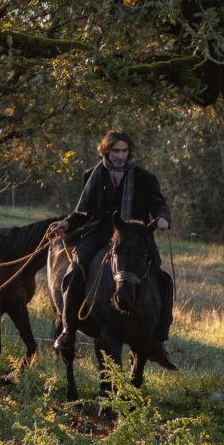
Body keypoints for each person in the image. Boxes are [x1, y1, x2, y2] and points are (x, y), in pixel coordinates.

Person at [50, 130, 176, 369]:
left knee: (162, 280)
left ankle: (157, 342)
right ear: (106, 151)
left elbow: (160, 205)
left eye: (124, 151)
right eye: (115, 151)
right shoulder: (93, 175)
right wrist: (67, 223)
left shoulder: (144, 177)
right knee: (75, 271)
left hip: (135, 237)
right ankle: (68, 330)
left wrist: (162, 218)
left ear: (130, 152)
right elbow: (82, 213)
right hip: (98, 234)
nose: (120, 156)